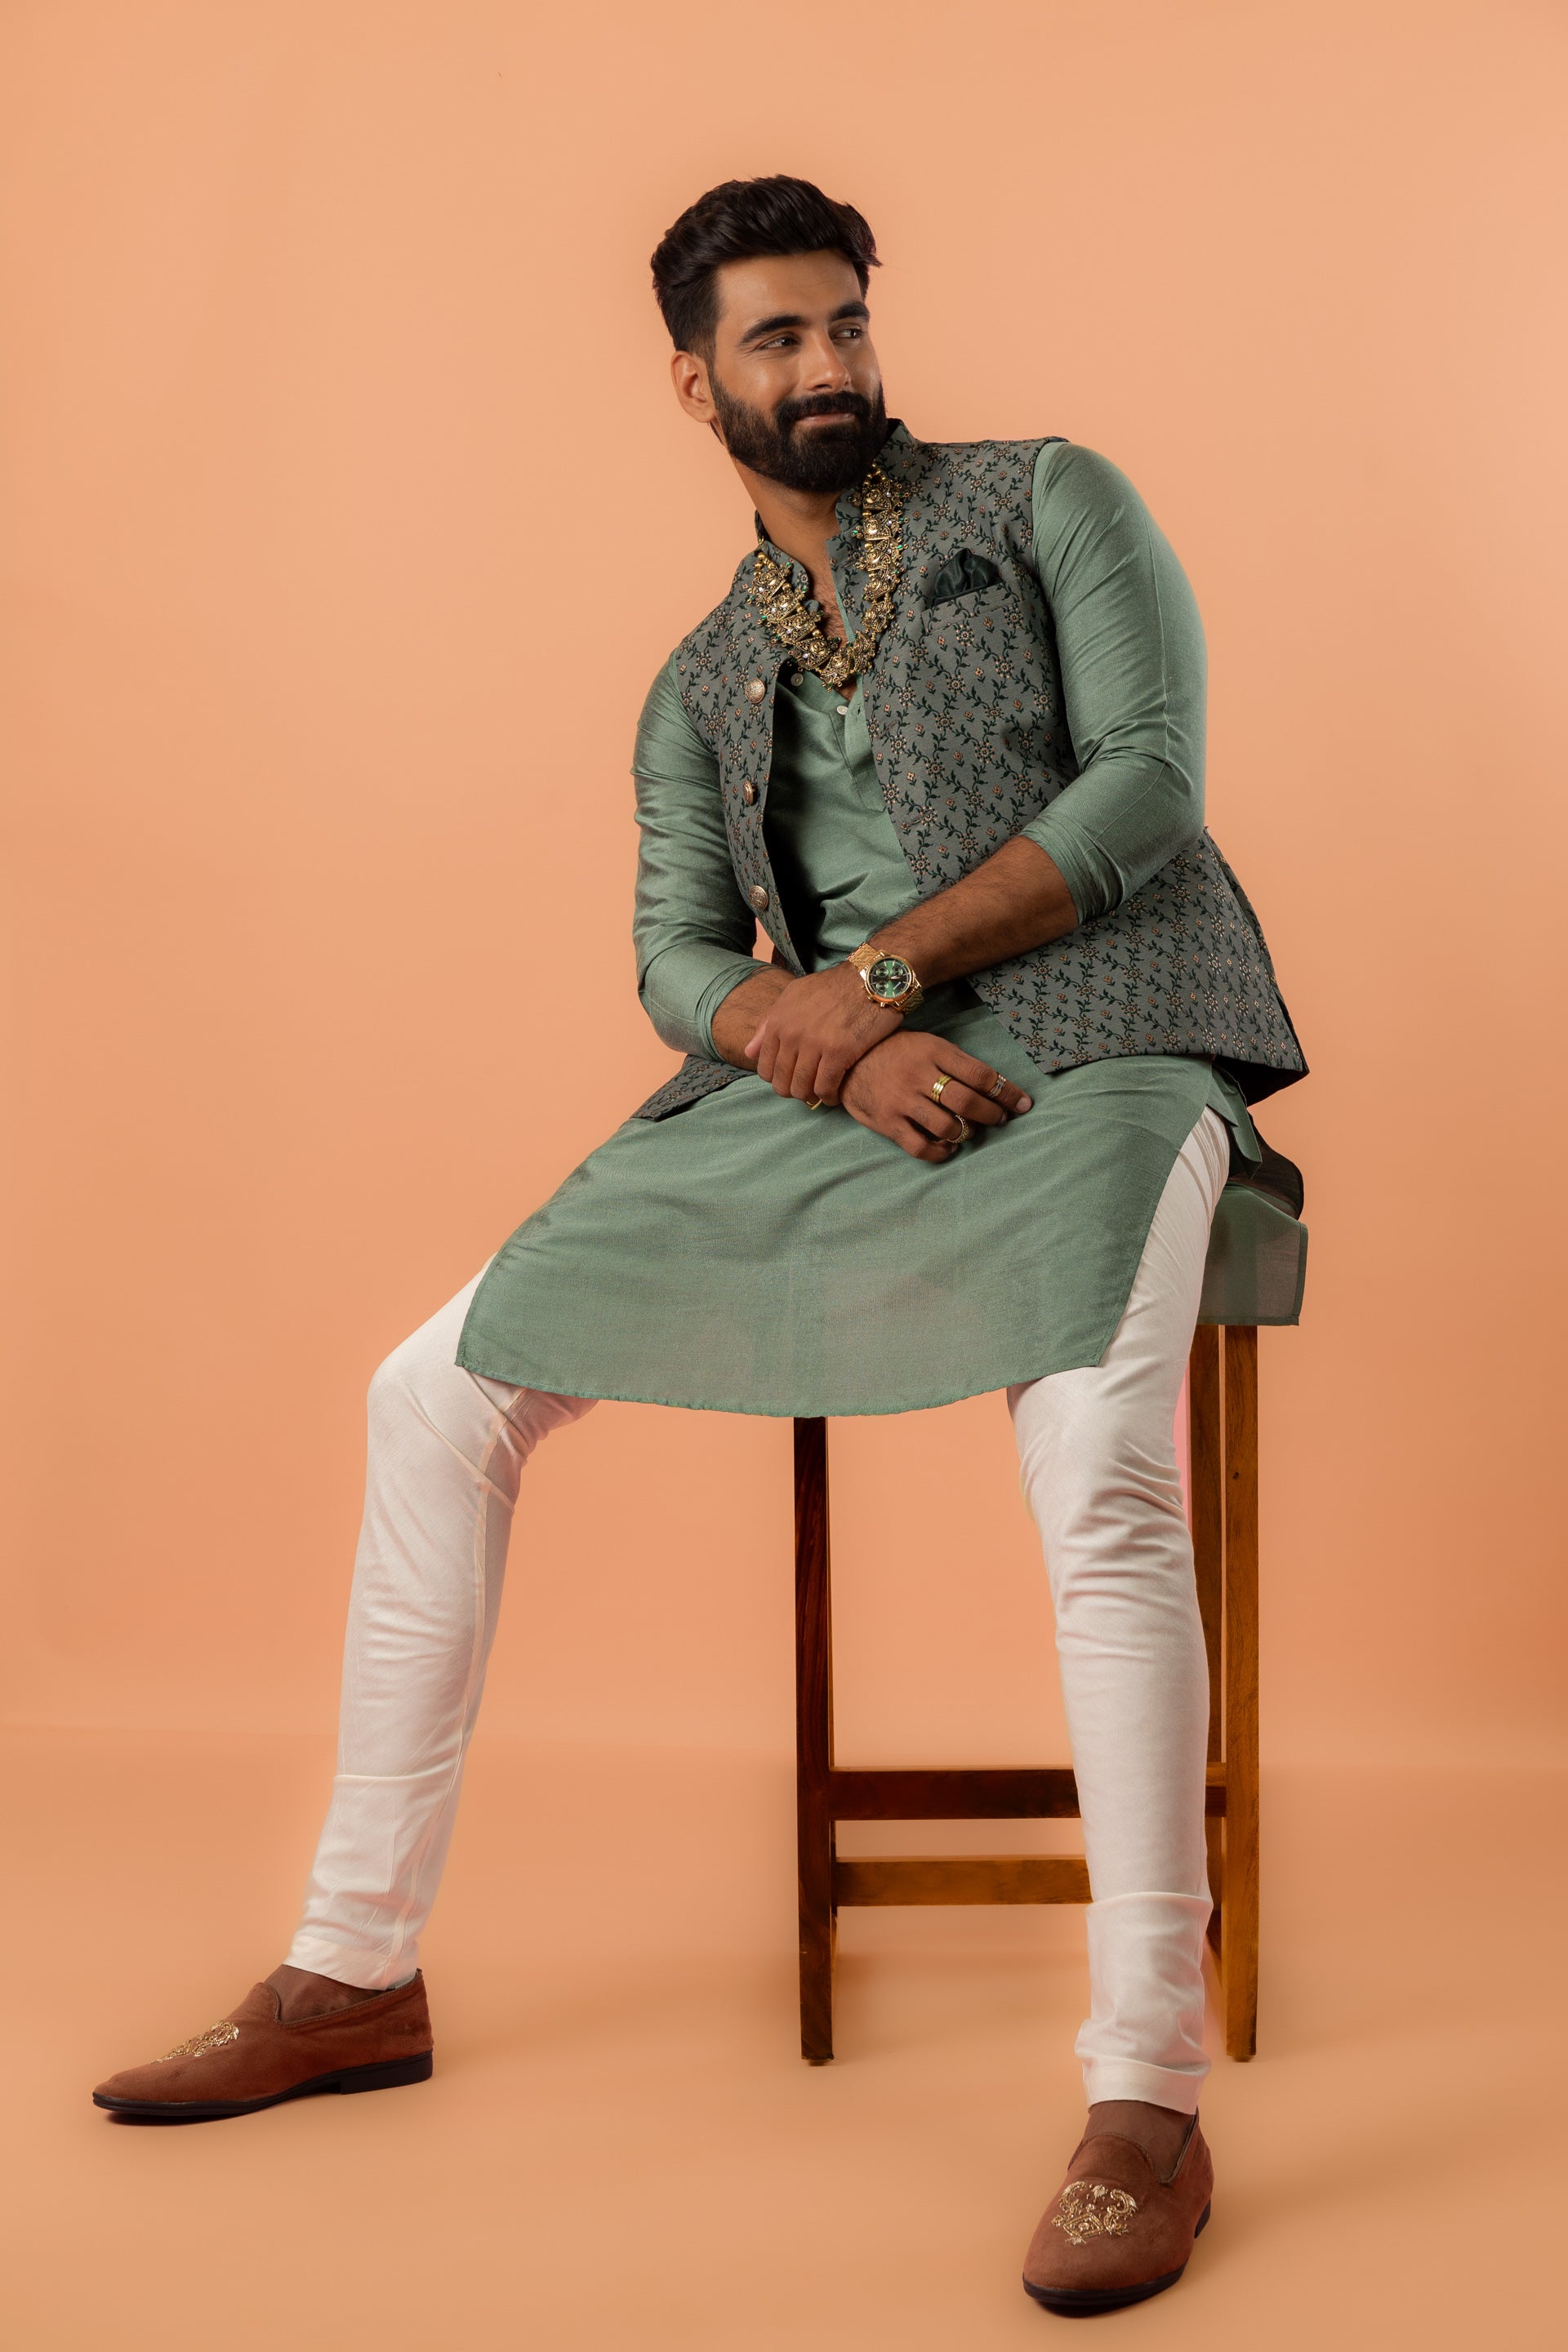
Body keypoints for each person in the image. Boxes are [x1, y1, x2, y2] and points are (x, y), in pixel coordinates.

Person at [93, 175, 1306, 2316]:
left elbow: (1147, 788)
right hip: (833, 1083)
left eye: (845, 324)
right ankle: (355, 1970)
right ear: (695, 382)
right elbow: (672, 953)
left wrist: (888, 977)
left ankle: (1148, 2093)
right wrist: (828, 1045)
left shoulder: (1050, 503)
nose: (828, 366)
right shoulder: (700, 679)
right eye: (777, 338)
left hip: (1105, 1040)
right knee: (429, 1395)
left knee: (1098, 1457)